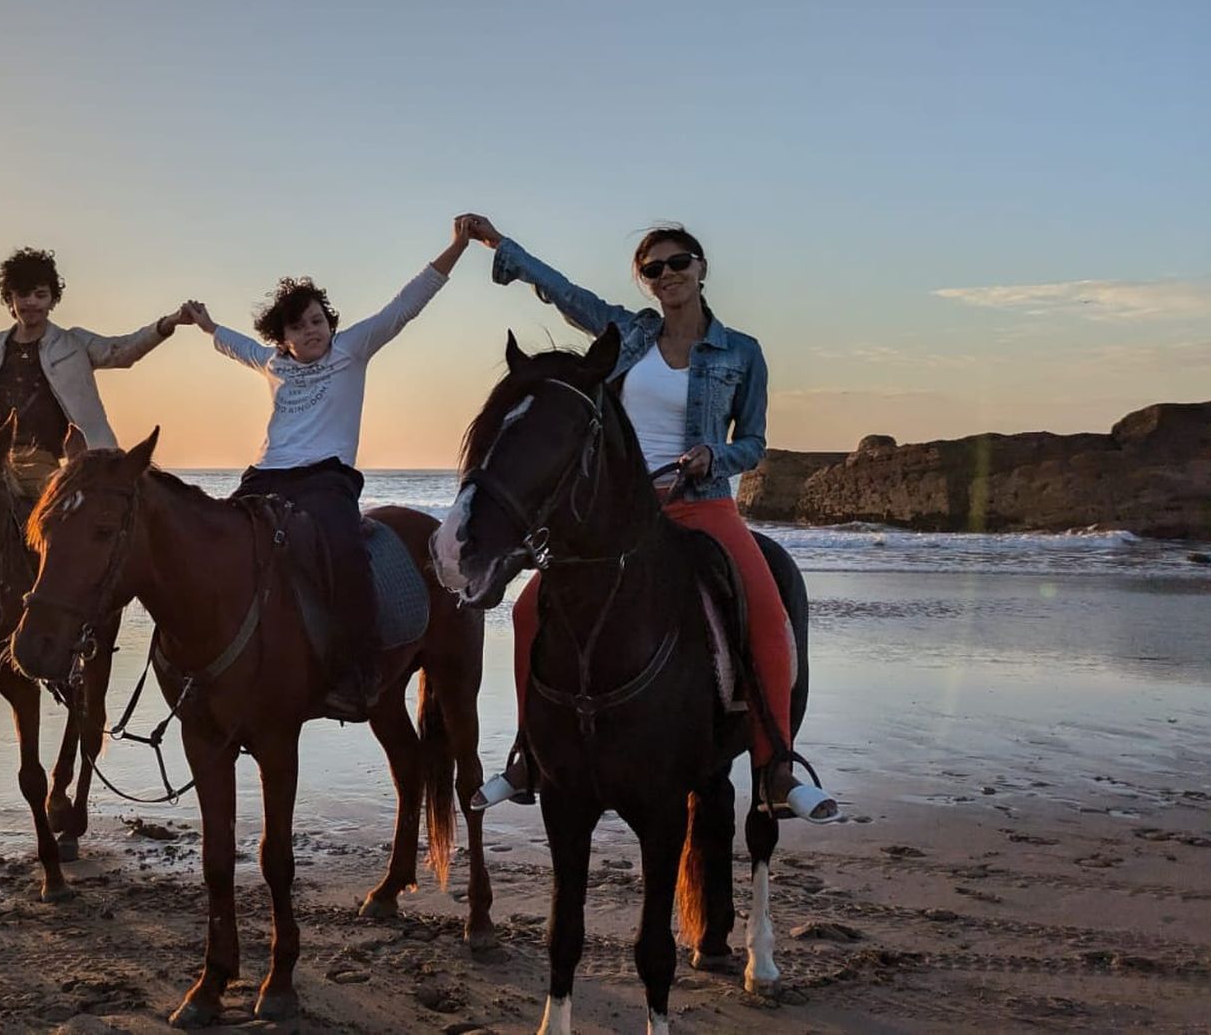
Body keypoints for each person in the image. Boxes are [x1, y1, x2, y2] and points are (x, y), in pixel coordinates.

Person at [459, 214, 838, 823]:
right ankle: (529, 752)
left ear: (701, 268)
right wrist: (504, 249)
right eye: (652, 269)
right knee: (531, 608)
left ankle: (776, 768)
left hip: (703, 501)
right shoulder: (629, 334)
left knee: (768, 615)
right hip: (627, 510)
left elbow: (756, 441)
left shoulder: (742, 352)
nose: (667, 276)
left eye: (677, 263)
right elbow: (565, 293)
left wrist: (717, 453)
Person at [178, 221, 472, 719]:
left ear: (329, 322)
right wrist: (207, 325)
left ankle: (357, 667)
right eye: (298, 327)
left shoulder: (352, 350)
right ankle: (206, 661)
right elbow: (234, 344)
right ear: (283, 339)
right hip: (265, 476)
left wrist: (457, 247)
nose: (311, 331)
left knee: (344, 552)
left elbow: (404, 306)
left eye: (317, 321)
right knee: (216, 548)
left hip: (327, 479)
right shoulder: (274, 365)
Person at [0, 247, 195, 656]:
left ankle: (60, 627)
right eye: (22, 295)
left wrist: (167, 324)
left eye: (40, 294)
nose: (31, 303)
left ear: (52, 299)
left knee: (53, 537)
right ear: (9, 301)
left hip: (42, 460)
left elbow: (122, 352)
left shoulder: (72, 344)